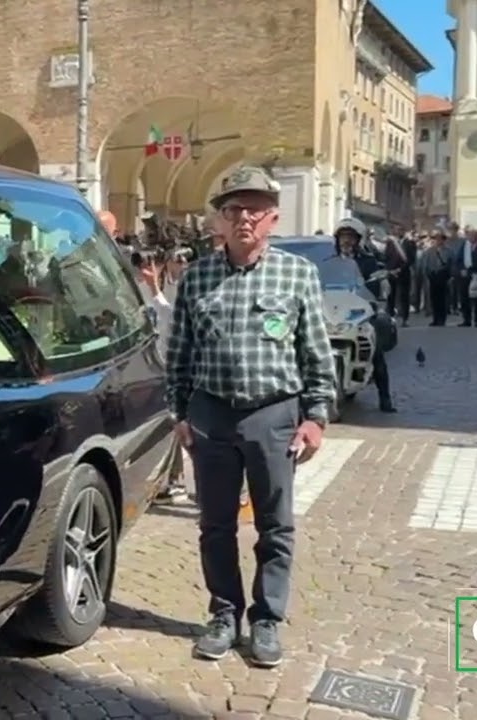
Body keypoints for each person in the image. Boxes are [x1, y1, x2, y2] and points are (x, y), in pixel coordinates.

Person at [166, 165, 335, 668]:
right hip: (211, 417)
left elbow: (316, 353)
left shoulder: (298, 274)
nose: (244, 218)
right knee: (215, 525)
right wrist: (179, 413)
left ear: (272, 218)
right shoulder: (197, 277)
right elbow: (179, 353)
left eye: (255, 209)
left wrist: (316, 417)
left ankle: (266, 619)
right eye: (234, 209)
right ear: (220, 218)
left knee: (274, 525)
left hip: (274, 416)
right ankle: (223, 613)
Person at [331, 219, 397, 413]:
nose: (347, 241)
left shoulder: (367, 260)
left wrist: (377, 286)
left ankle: (385, 399)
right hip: (334, 309)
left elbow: (375, 282)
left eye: (351, 237)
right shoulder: (331, 261)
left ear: (358, 240)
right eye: (343, 237)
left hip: (359, 310)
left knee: (376, 351)